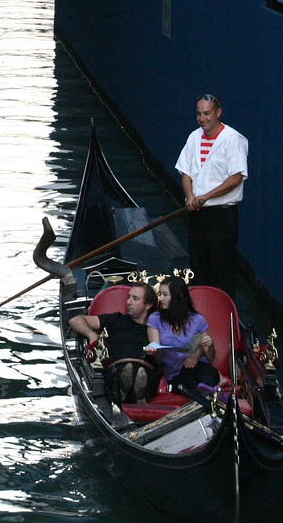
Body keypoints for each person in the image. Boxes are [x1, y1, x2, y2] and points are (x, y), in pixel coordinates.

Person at [175, 93, 247, 297]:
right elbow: (185, 171)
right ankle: (200, 314)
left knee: (222, 270)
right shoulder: (194, 137)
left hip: (222, 217)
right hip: (197, 214)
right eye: (199, 114)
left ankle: (223, 317)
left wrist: (206, 196)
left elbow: (236, 177)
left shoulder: (232, 139)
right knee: (198, 267)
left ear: (218, 113)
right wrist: (189, 197)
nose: (202, 118)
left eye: (206, 113)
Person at [68, 283, 159, 404]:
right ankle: (125, 388)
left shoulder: (155, 327)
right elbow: (75, 320)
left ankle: (134, 391)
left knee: (142, 374)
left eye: (135, 298)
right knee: (121, 373)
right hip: (116, 368)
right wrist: (91, 334)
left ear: (148, 305)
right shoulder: (116, 319)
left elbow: (159, 360)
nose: (128, 302)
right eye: (128, 297)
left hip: (146, 370)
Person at [145, 276, 219, 396]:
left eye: (165, 294)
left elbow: (210, 357)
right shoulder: (155, 319)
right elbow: (157, 359)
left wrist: (200, 352)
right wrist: (153, 351)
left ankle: (208, 394)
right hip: (176, 374)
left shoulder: (197, 320)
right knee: (188, 383)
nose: (160, 299)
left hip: (199, 367)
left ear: (178, 297)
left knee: (207, 373)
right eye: (160, 294)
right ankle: (207, 399)